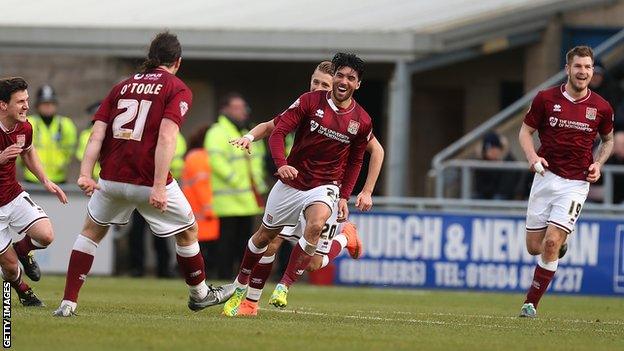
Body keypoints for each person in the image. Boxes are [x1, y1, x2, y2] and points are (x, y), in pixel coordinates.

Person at [53, 31, 233, 317]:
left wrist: (86, 174)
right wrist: (159, 186)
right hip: (147, 180)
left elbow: (97, 133)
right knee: (188, 232)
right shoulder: (177, 88)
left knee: (90, 232)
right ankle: (200, 294)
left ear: (152, 58)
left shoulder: (121, 86)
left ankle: (67, 303)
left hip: (109, 180)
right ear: (178, 61)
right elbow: (166, 137)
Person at [222, 52, 373, 317]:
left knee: (313, 227)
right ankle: (241, 289)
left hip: (325, 186)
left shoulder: (361, 121)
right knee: (269, 240)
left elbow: (363, 157)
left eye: (350, 78)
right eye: (338, 76)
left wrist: (351, 194)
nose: (341, 82)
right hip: (292, 182)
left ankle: (281, 288)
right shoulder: (307, 102)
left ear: (357, 84)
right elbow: (276, 129)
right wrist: (280, 163)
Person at [518, 46, 614, 318]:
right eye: (578, 67)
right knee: (534, 247)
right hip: (545, 178)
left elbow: (607, 141)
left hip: (576, 183)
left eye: (587, 67)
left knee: (549, 243)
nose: (583, 72)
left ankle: (530, 304)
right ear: (567, 69)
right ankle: (560, 243)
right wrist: (532, 156)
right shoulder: (545, 99)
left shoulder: (602, 107)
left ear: (592, 71)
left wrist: (598, 163)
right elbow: (526, 132)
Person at [0, 77, 68, 306]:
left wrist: (46, 181)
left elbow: (28, 152)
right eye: (20, 101)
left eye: (27, 100)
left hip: (12, 195)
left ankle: (22, 249)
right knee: (10, 269)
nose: (27, 106)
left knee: (46, 234)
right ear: (3, 105)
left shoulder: (24, 126)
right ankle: (23, 291)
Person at [204, 93, 267, 279]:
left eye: (243, 107)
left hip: (247, 199)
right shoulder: (217, 132)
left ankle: (241, 280)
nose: (243, 112)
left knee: (244, 244)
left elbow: (256, 162)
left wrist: (258, 185)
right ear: (225, 110)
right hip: (228, 201)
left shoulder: (245, 132)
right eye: (237, 108)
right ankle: (223, 278)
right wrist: (237, 180)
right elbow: (215, 161)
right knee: (226, 244)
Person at [181, 125, 220, 278]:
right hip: (203, 212)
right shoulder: (199, 157)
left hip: (198, 211)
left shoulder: (195, 155)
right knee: (202, 250)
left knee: (198, 248)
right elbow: (202, 185)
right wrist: (209, 208)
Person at [24, 84, 77, 183]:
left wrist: (61, 163)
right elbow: (21, 151)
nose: (48, 106)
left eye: (51, 103)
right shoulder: (28, 123)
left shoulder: (66, 124)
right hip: (33, 178)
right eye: (44, 103)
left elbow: (70, 150)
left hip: (58, 178)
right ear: (37, 105)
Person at [473, 132, 524, 200]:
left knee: (498, 198)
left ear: (500, 149)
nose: (492, 152)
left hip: (504, 197)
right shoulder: (481, 163)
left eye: (494, 149)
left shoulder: (508, 162)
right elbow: (480, 187)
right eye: (489, 150)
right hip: (486, 195)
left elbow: (506, 189)